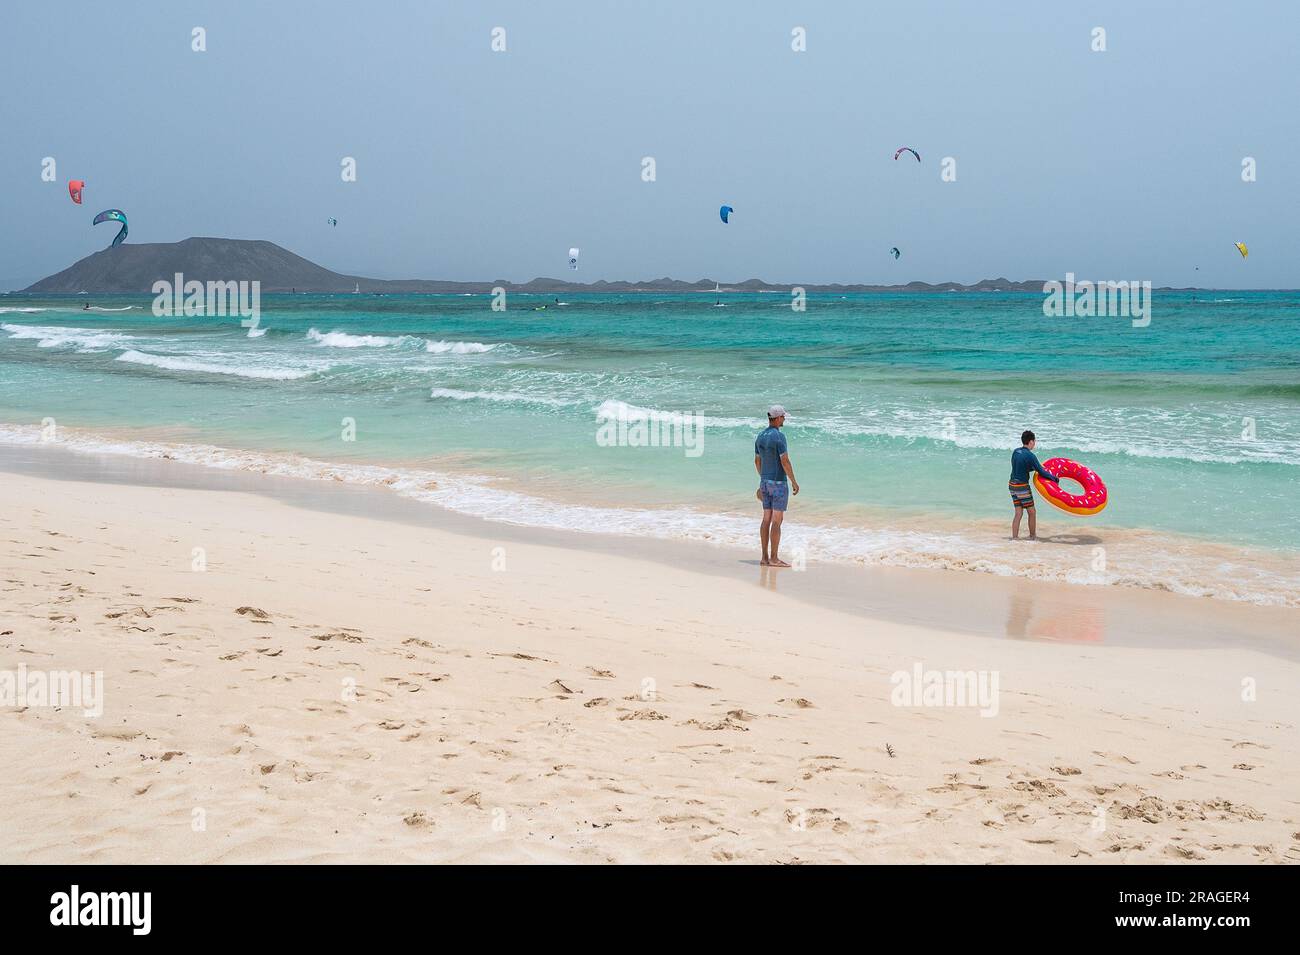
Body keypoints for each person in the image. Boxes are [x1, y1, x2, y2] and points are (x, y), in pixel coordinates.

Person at [754, 404, 799, 566]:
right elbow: (784, 461)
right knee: (777, 521)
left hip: (765, 482)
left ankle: (764, 558)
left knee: (766, 519)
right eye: (783, 417)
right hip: (779, 483)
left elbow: (757, 461)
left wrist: (762, 480)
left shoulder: (760, 436)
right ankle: (774, 558)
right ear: (778, 418)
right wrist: (793, 481)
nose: (784, 419)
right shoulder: (779, 437)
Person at [1009, 430, 1058, 540]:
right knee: (1032, 512)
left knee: (1018, 513)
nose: (1034, 443)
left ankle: (1014, 538)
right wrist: (1054, 478)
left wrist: (1031, 468)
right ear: (1030, 442)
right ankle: (1032, 537)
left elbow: (1018, 466)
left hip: (1012, 485)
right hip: (1022, 487)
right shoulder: (1030, 456)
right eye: (1034, 441)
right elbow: (1042, 471)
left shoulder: (1016, 452)